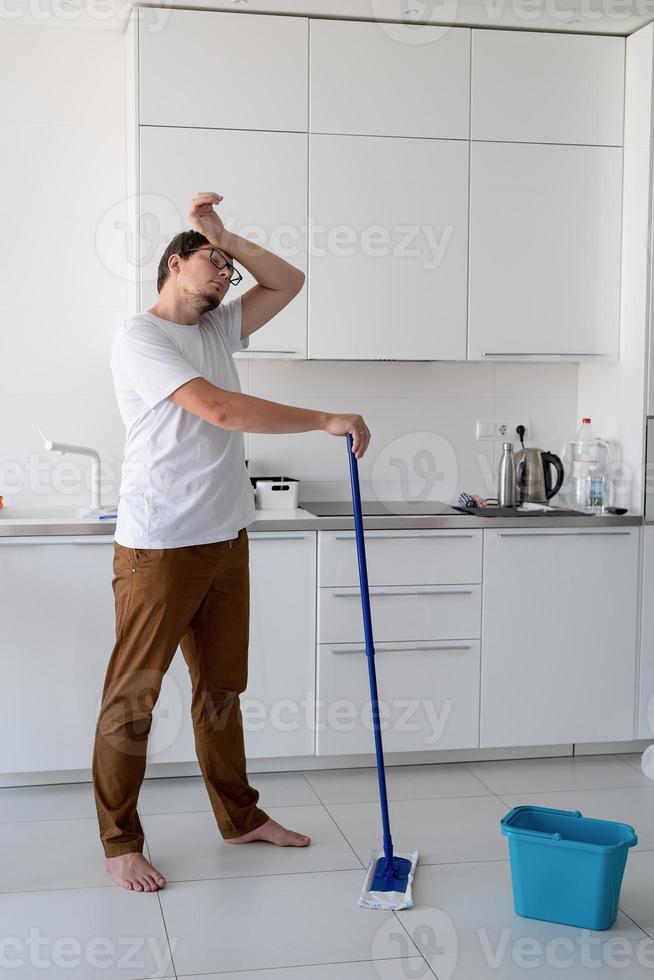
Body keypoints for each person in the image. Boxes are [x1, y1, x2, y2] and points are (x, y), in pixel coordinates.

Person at [92, 192, 371, 892]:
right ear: (173, 265)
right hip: (159, 545)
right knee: (135, 696)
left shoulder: (219, 330)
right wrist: (322, 417)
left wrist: (231, 238)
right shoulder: (141, 336)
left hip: (224, 537)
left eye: (228, 268)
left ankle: (240, 819)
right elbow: (217, 408)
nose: (225, 274)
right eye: (211, 262)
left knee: (221, 692)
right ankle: (120, 841)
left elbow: (290, 282)